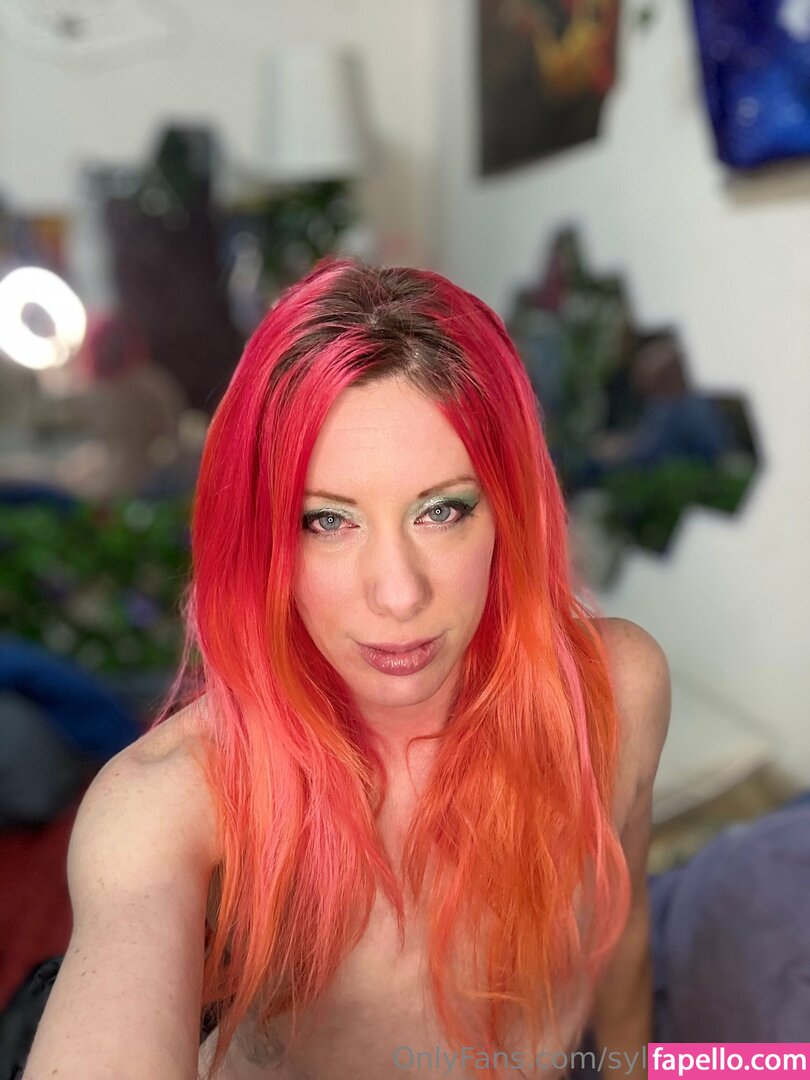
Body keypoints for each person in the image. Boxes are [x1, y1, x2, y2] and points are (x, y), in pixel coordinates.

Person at [21, 260, 670, 1079]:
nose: (398, 594)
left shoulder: (619, 689)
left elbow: (623, 941)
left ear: (511, 511)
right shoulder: (168, 803)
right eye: (326, 521)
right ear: (262, 542)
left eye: (442, 510)